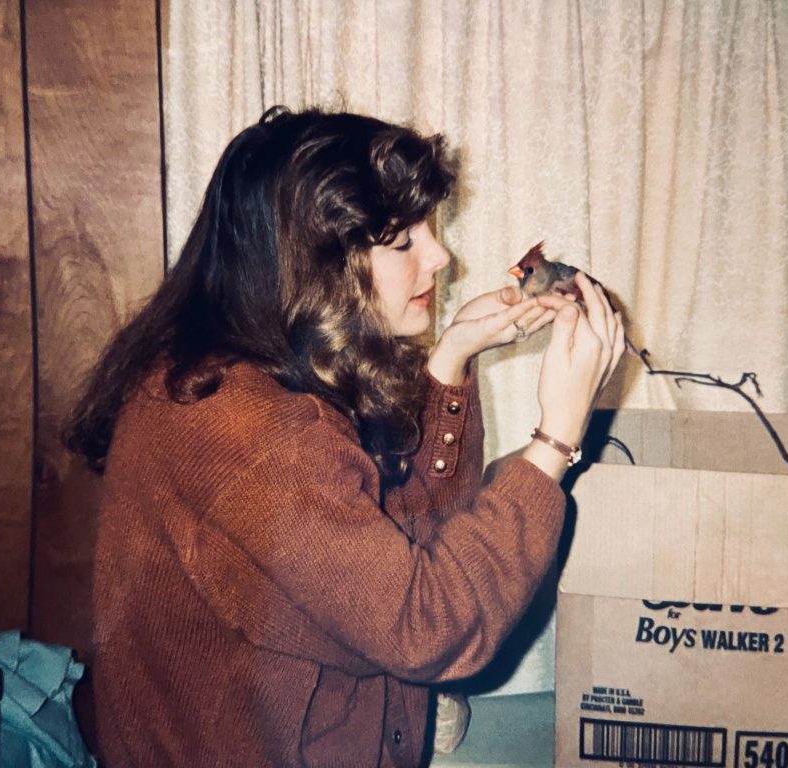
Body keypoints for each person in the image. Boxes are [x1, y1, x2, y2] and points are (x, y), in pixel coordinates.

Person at [65, 106, 624, 767]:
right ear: (312, 264)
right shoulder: (246, 427)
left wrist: (450, 358)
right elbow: (430, 627)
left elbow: (405, 542)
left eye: (427, 228)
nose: (441, 254)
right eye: (401, 242)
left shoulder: (249, 372)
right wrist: (555, 440)